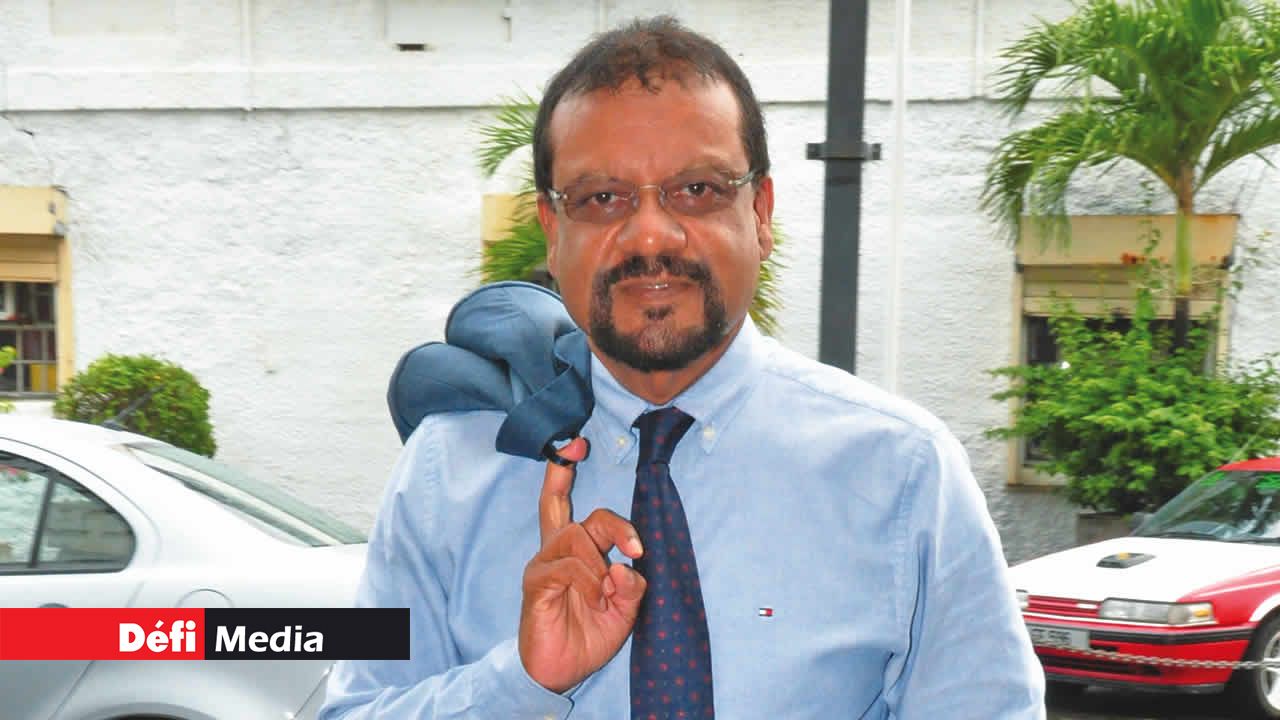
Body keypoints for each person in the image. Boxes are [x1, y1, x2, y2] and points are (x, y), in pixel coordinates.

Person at [321, 16, 1044, 720]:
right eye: (602, 198)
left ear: (761, 212)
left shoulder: (904, 473)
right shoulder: (447, 471)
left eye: (697, 189)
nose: (650, 235)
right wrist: (520, 683)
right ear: (552, 230)